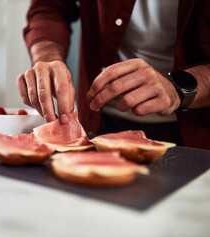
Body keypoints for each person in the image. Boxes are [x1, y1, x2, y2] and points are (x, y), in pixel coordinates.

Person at [17, 0, 210, 149]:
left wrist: (177, 88)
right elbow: (50, 7)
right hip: (98, 124)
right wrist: (48, 57)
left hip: (199, 134)